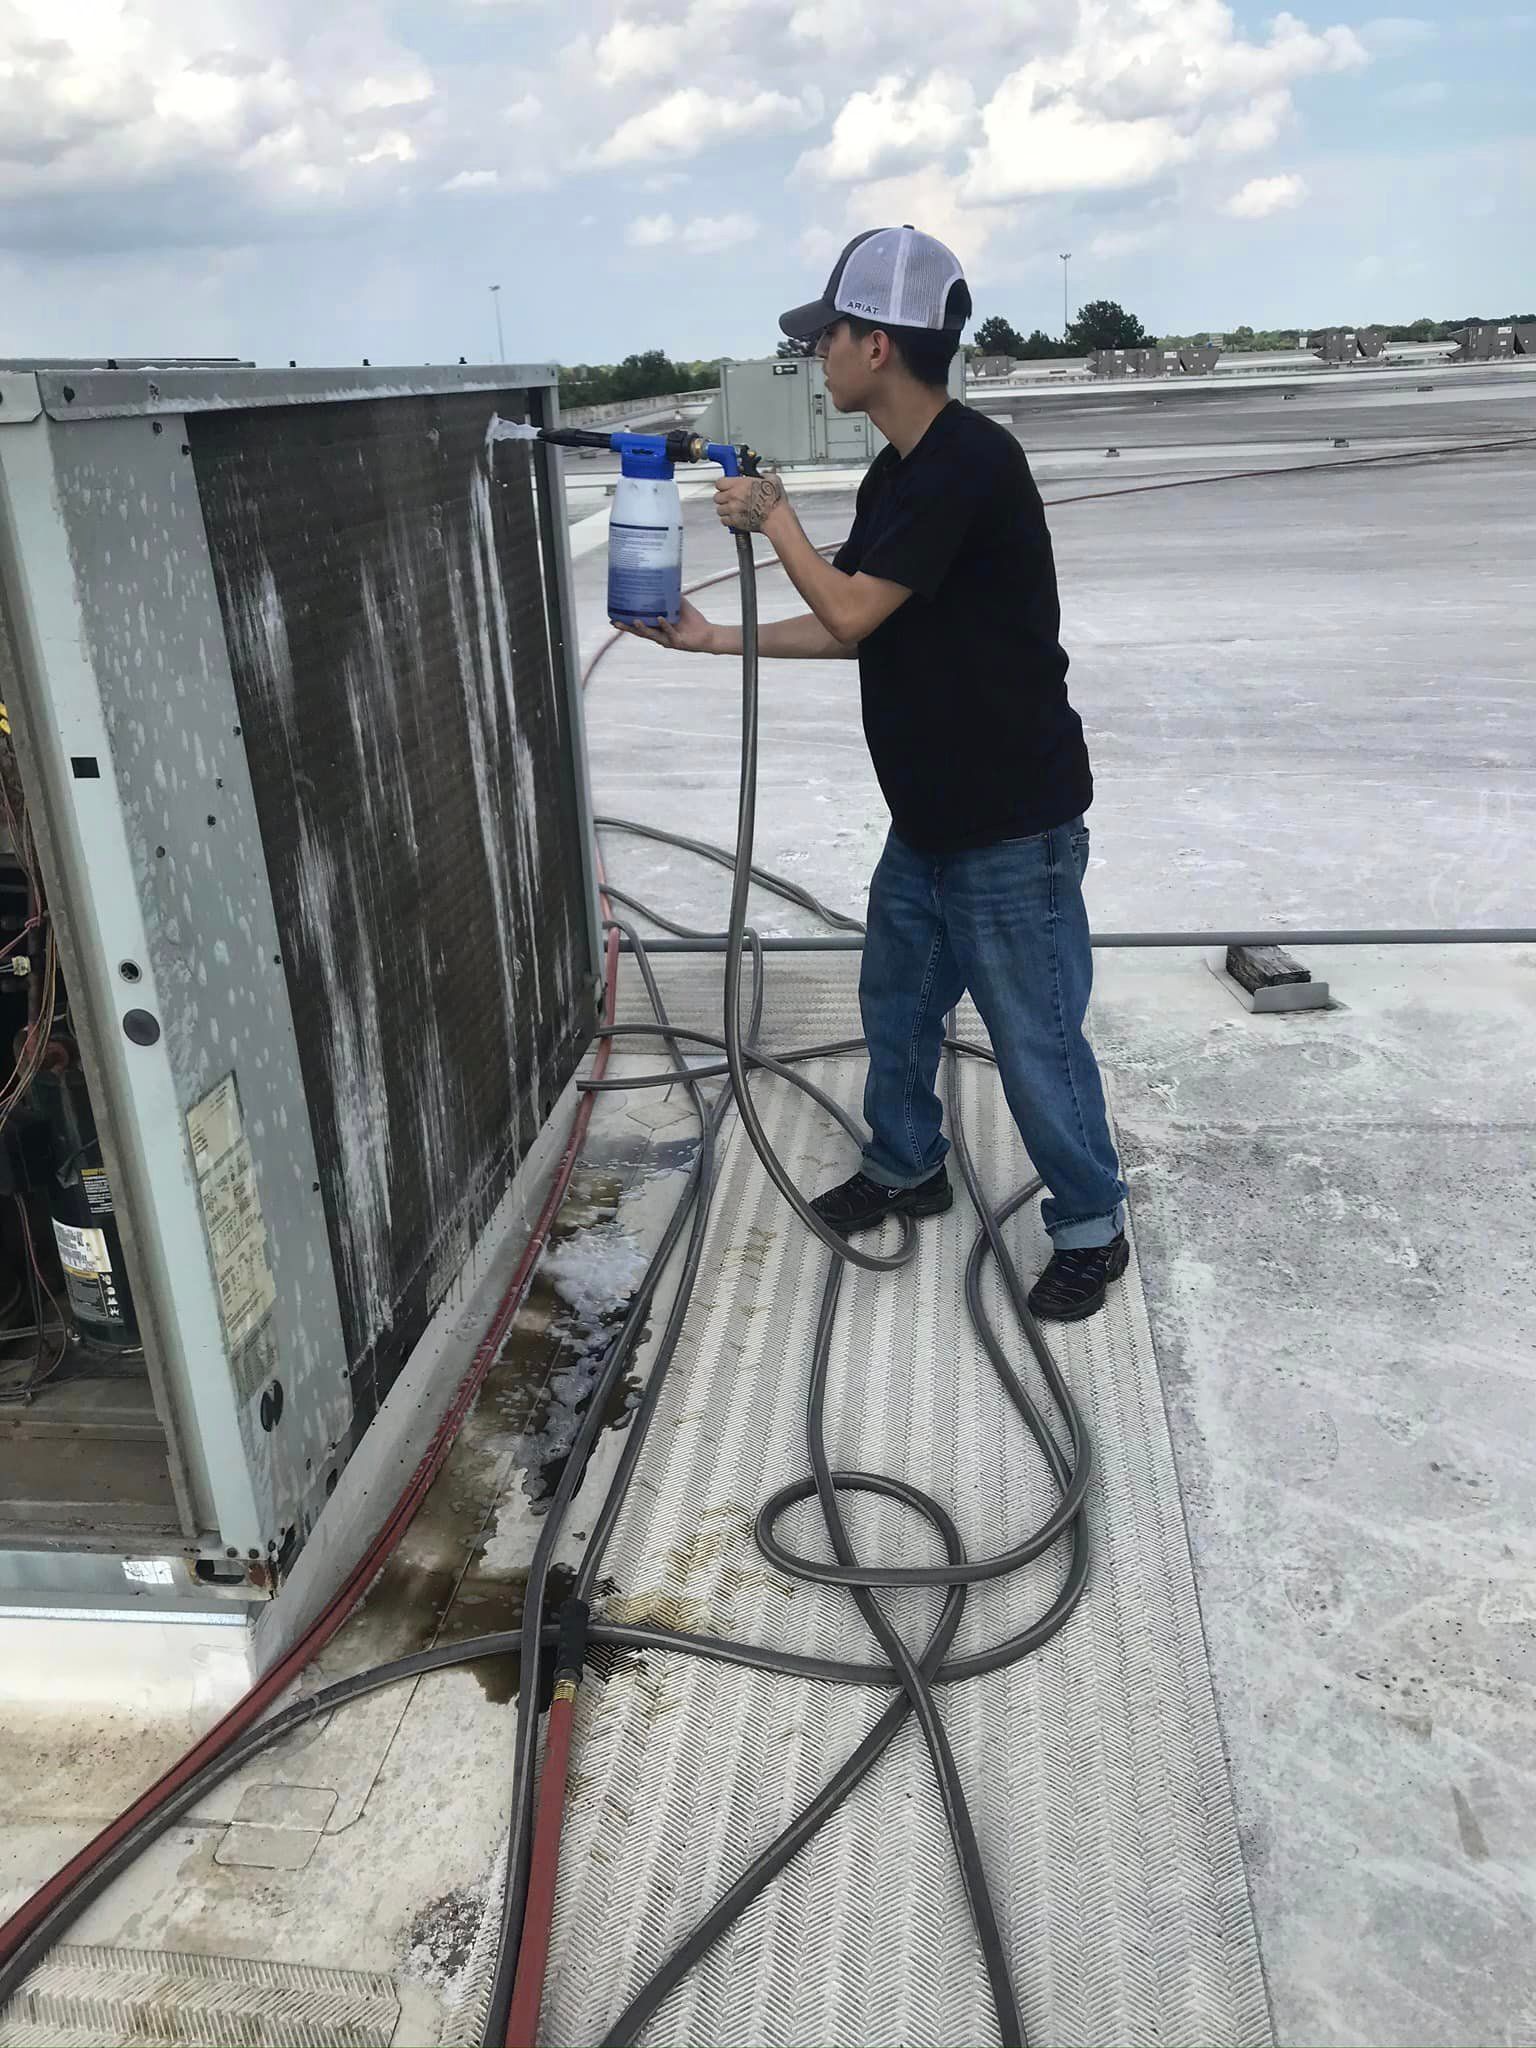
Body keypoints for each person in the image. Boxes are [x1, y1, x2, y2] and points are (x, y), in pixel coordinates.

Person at [619, 226, 1129, 1323]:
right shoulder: (897, 473)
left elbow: (848, 605)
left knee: (1036, 1039)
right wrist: (715, 640)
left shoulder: (971, 463)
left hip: (1012, 826)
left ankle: (1092, 1226)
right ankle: (909, 1163)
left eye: (827, 336)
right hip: (932, 818)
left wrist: (779, 518)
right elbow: (859, 622)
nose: (818, 357)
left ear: (879, 346)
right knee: (895, 1004)